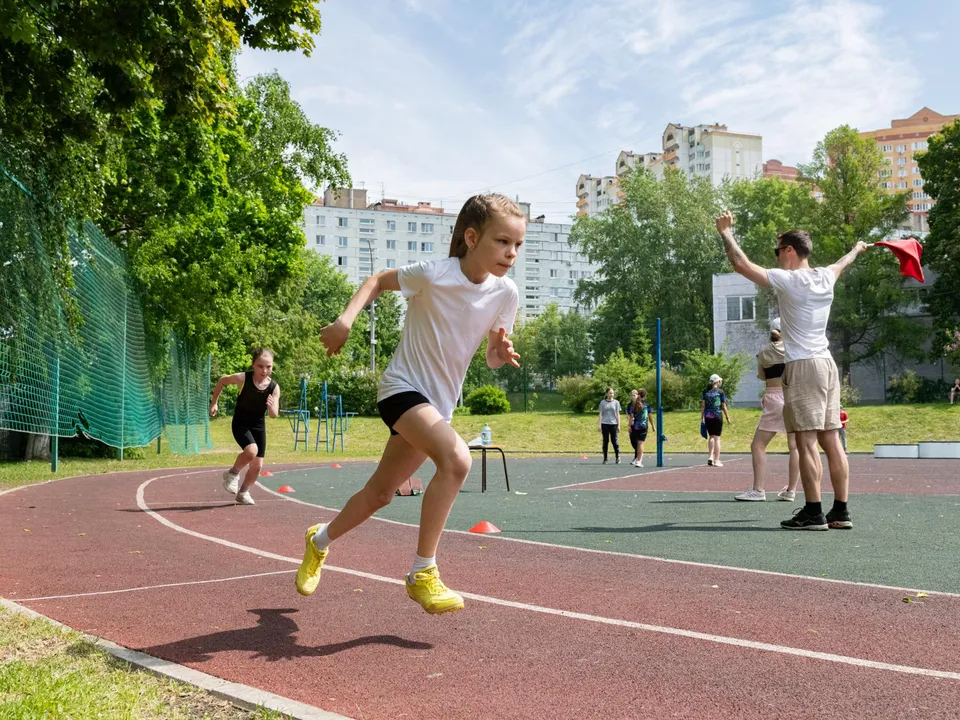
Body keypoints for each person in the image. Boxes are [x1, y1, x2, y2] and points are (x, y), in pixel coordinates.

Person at [295, 193, 523, 615]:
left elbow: (491, 355)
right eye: (502, 242)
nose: (511, 253)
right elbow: (377, 281)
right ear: (472, 237)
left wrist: (502, 353)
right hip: (401, 389)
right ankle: (423, 572)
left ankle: (318, 540)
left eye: (518, 245)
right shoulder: (434, 274)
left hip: (437, 406)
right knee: (457, 461)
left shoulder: (505, 293)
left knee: (380, 494)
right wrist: (345, 322)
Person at [716, 211, 868, 530]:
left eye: (777, 250)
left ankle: (814, 512)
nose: (776, 257)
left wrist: (726, 233)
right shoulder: (826, 276)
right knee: (832, 440)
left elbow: (741, 265)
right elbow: (843, 263)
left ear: (789, 250)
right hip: (827, 365)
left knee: (805, 442)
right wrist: (856, 249)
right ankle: (840, 511)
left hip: (803, 367)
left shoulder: (789, 280)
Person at [735, 319, 801, 502]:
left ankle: (758, 490)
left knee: (758, 445)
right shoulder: (795, 349)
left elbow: (762, 376)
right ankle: (791, 490)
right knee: (795, 447)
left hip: (774, 397)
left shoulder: (764, 351)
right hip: (793, 397)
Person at [209, 348, 280, 506]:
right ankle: (232, 474)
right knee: (251, 451)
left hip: (258, 426)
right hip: (241, 423)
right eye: (260, 366)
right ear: (253, 365)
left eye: (268, 367)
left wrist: (271, 407)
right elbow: (222, 380)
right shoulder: (243, 378)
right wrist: (214, 402)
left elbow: (274, 414)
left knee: (257, 466)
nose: (264, 370)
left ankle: (243, 493)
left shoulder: (274, 387)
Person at [701, 374, 731, 467]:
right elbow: (723, 406)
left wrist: (702, 418)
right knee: (717, 438)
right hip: (717, 415)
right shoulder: (720, 392)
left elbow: (703, 406)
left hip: (708, 416)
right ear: (717, 382)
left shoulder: (705, 392)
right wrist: (727, 417)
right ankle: (716, 460)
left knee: (711, 437)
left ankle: (710, 456)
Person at [627, 388, 656, 467]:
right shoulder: (646, 405)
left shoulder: (634, 404)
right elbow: (650, 416)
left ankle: (637, 459)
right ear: (645, 395)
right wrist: (653, 426)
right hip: (643, 426)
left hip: (636, 426)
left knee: (638, 443)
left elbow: (631, 416)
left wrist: (629, 426)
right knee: (641, 443)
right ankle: (639, 461)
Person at [598, 387, 622, 464]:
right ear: (607, 394)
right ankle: (605, 458)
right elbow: (601, 413)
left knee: (614, 441)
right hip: (605, 423)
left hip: (613, 423)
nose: (611, 394)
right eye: (610, 393)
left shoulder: (616, 402)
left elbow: (618, 414)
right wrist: (599, 425)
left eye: (612, 393)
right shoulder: (602, 402)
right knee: (605, 441)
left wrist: (619, 425)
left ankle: (617, 457)